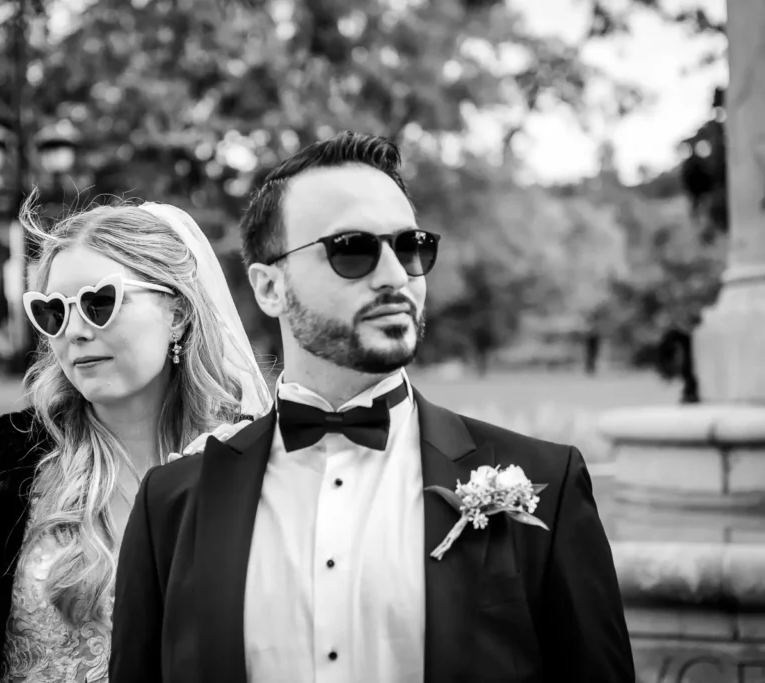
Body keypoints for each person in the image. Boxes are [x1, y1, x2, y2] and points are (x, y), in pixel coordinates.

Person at [110, 131, 635, 683]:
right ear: (269, 287)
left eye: (410, 247)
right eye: (353, 249)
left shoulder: (544, 484)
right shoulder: (171, 505)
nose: (395, 275)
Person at [0, 200, 269, 683]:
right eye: (53, 311)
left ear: (179, 314)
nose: (75, 331)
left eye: (100, 303)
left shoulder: (255, 467)